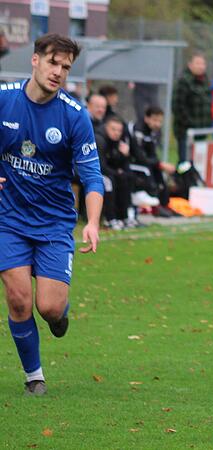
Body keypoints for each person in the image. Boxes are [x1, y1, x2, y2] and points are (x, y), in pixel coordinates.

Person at [0, 33, 103, 396]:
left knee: (48, 307)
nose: (58, 72)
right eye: (53, 62)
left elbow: (92, 176)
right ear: (35, 60)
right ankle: (34, 377)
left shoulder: (75, 116)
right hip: (8, 219)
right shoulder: (4, 100)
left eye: (65, 67)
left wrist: (91, 222)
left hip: (54, 223)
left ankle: (59, 315)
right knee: (18, 299)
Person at [129, 106, 177, 216]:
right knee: (148, 171)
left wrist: (159, 164)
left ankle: (165, 204)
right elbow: (139, 156)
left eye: (160, 121)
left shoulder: (154, 132)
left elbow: (152, 154)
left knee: (159, 173)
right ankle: (154, 207)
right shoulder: (138, 130)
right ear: (147, 118)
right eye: (155, 120)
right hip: (132, 163)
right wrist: (159, 164)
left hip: (144, 162)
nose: (158, 124)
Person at [96, 115, 136, 230]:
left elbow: (121, 165)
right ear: (106, 127)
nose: (116, 133)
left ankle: (124, 217)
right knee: (109, 181)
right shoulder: (100, 140)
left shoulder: (119, 142)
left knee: (126, 177)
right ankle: (110, 219)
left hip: (108, 172)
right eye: (113, 129)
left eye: (119, 130)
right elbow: (100, 166)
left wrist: (125, 155)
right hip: (89, 172)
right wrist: (116, 172)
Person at [172, 52, 212, 163]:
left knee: (198, 162)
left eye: (203, 64)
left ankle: (192, 180)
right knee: (185, 162)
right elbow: (177, 106)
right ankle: (181, 180)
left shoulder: (206, 81)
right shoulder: (184, 81)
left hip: (201, 132)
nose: (201, 66)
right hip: (186, 132)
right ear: (190, 65)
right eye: (197, 63)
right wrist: (190, 124)